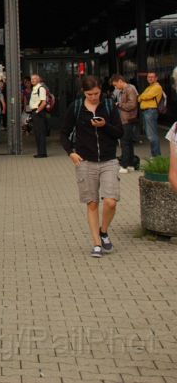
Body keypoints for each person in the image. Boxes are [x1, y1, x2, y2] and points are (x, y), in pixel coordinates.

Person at [60, 75, 123, 258]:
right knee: (92, 203)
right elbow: (64, 133)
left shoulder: (109, 106)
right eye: (89, 94)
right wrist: (71, 152)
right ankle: (96, 243)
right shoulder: (76, 107)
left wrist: (105, 125)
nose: (93, 97)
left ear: (100, 90)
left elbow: (120, 132)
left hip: (109, 160)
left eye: (96, 93)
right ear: (83, 92)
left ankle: (104, 231)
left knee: (111, 201)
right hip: (85, 161)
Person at [110, 74, 140, 173]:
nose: (116, 87)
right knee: (128, 143)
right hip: (126, 118)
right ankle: (131, 164)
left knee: (125, 143)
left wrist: (119, 104)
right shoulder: (126, 89)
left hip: (127, 119)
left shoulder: (129, 89)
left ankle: (124, 165)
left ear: (120, 81)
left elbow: (132, 104)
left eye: (115, 85)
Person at [138, 71, 164, 161]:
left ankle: (156, 156)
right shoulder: (149, 87)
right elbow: (140, 98)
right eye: (149, 77)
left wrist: (141, 96)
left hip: (151, 111)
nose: (150, 78)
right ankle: (154, 155)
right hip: (147, 112)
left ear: (156, 78)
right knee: (150, 134)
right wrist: (141, 96)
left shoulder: (157, 87)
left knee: (152, 135)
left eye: (152, 77)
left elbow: (145, 96)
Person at [29, 74, 50, 157]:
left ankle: (42, 153)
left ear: (38, 80)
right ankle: (40, 152)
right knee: (37, 133)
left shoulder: (41, 88)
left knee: (40, 133)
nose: (32, 80)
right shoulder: (34, 88)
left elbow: (43, 102)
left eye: (34, 79)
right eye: (31, 79)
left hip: (39, 112)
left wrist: (37, 111)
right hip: (35, 112)